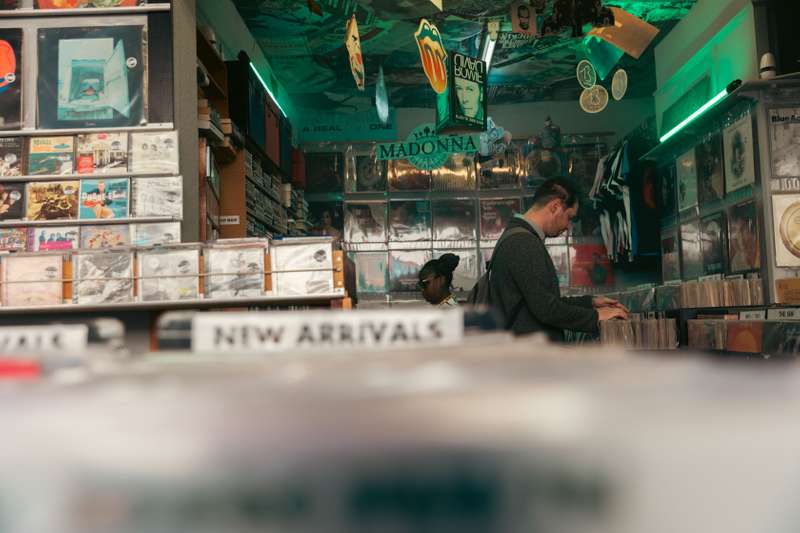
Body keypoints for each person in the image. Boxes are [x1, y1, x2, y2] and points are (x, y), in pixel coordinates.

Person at [490, 177, 628, 341]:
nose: (568, 226)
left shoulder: (519, 237)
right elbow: (547, 309)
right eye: (569, 217)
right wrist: (596, 316)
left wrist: (590, 302)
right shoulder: (523, 243)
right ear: (555, 206)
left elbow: (543, 300)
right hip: (528, 357)